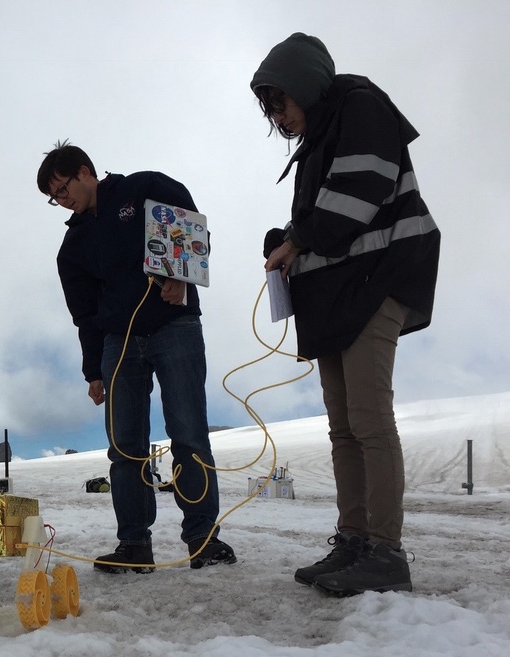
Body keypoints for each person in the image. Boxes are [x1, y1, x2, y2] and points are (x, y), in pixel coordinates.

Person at [251, 34, 439, 595]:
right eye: (270, 108)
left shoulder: (360, 106)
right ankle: (355, 539)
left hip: (374, 283)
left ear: (305, 85)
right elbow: (321, 222)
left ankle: (385, 552)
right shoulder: (318, 138)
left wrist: (298, 238)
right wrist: (288, 241)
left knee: (369, 418)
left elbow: (352, 202)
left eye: (279, 103)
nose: (277, 116)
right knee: (344, 427)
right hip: (337, 293)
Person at [36, 142, 236, 574]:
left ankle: (203, 540)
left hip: (175, 327)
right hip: (118, 343)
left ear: (85, 171)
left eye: (62, 187)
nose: (62, 200)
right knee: (125, 447)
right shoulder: (72, 248)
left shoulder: (143, 189)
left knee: (189, 435)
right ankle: (134, 546)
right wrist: (93, 370)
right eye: (54, 197)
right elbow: (84, 314)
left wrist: (180, 279)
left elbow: (189, 225)